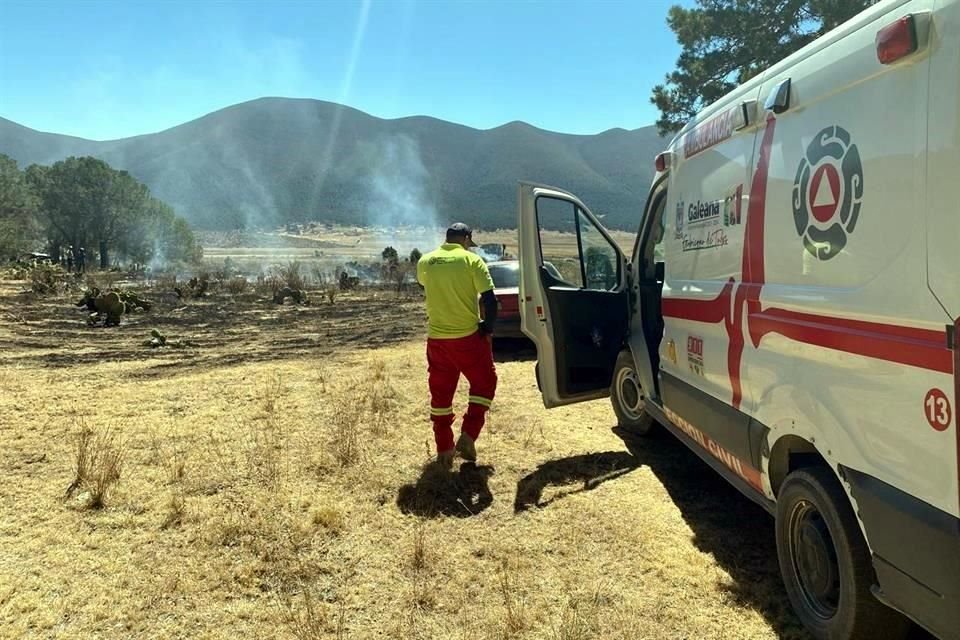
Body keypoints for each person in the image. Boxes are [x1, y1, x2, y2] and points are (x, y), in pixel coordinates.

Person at [417, 223, 498, 468]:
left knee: (441, 395)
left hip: (437, 341)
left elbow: (424, 285)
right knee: (485, 382)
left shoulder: (426, 261)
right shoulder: (472, 261)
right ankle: (469, 434)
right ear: (465, 239)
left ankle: (444, 449)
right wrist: (487, 327)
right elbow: (490, 300)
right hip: (467, 338)